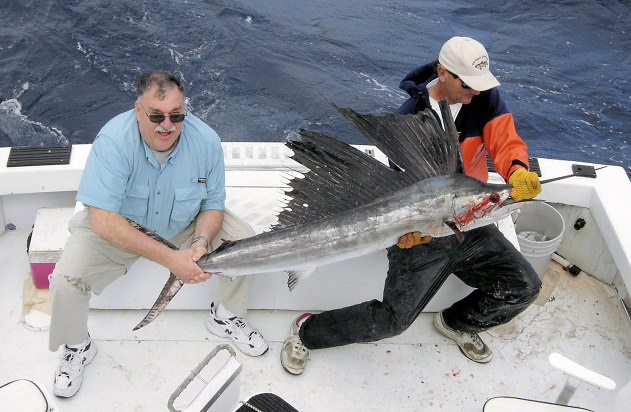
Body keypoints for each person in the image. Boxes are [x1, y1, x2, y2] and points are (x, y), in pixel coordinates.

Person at [280, 36, 542, 375]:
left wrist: (518, 171)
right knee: (393, 321)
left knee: (525, 286)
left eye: (480, 84)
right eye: (467, 83)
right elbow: (402, 198)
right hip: (422, 235)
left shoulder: (485, 98)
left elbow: (506, 144)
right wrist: (409, 234)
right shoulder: (409, 117)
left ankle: (457, 323)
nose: (475, 91)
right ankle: (306, 331)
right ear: (443, 72)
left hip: (472, 221)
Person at [48, 71, 267, 398]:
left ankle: (225, 317)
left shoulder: (206, 141)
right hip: (122, 231)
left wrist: (201, 242)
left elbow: (211, 205)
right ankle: (78, 346)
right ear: (138, 110)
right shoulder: (113, 142)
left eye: (177, 116)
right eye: (156, 115)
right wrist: (172, 261)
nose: (167, 125)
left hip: (184, 227)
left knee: (245, 243)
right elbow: (103, 221)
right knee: (65, 280)